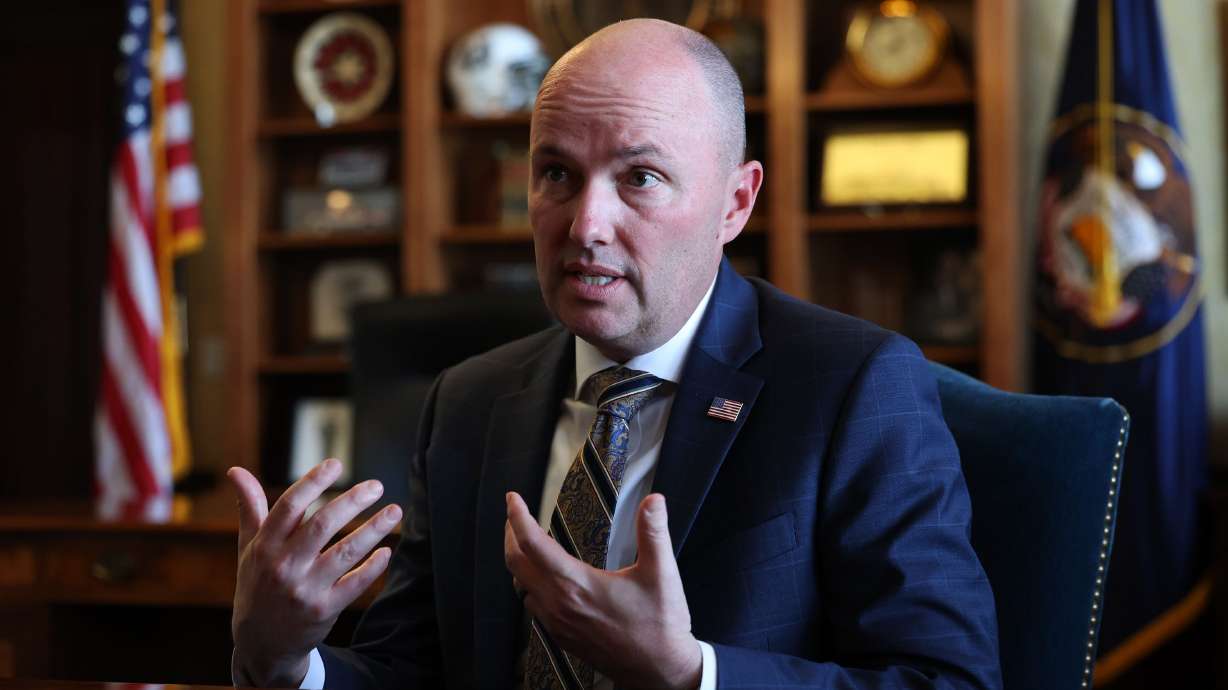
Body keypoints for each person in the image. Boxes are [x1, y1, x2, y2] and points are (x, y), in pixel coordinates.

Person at [228, 18, 1002, 690]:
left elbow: (948, 679)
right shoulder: (466, 402)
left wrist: (689, 674)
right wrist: (289, 661)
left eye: (641, 178)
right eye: (557, 174)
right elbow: (412, 673)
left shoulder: (851, 388)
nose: (585, 224)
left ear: (736, 202)